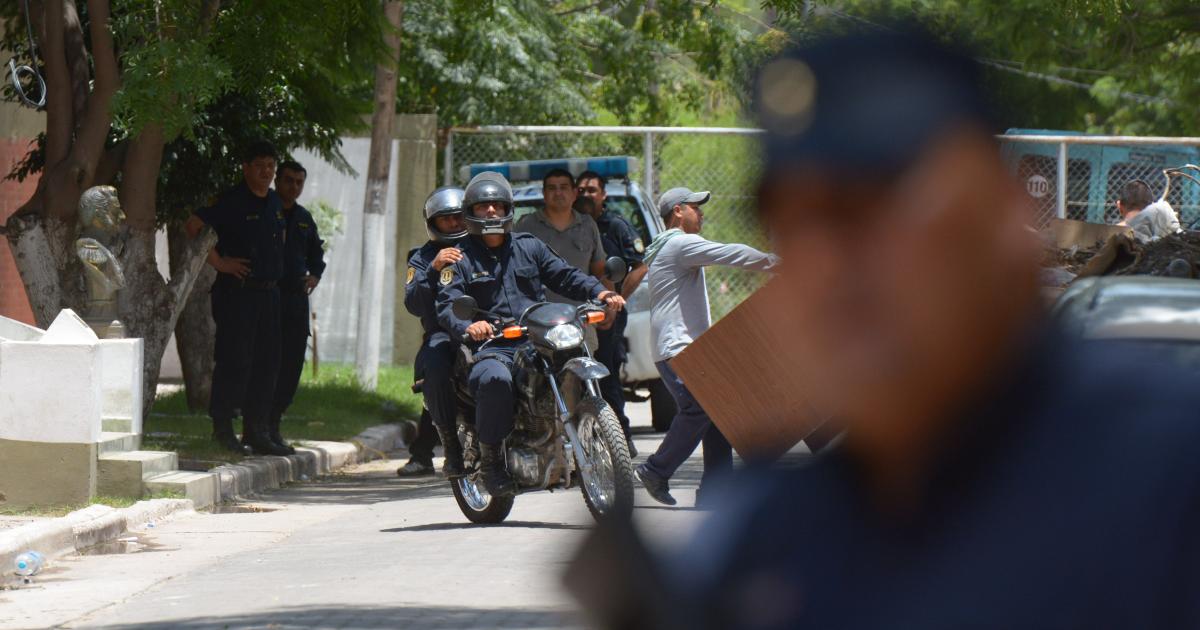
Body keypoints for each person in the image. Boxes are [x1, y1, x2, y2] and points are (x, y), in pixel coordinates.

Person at [632, 29, 1200, 629]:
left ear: (1000, 214)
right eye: (798, 224)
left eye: (871, 211)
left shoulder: (1162, 466)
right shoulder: (764, 542)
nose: (830, 268)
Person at [437, 171, 626, 497]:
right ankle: (493, 462)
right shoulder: (461, 257)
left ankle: (586, 430)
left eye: (497, 205)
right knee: (494, 379)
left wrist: (601, 294)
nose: (492, 212)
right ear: (471, 212)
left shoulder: (528, 246)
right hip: (493, 346)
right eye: (484, 207)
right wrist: (468, 326)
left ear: (508, 208)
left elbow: (566, 276)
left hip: (537, 338)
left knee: (573, 354)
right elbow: (448, 302)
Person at [633, 187, 779, 507]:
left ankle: (716, 492)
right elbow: (730, 252)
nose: (701, 213)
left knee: (718, 412)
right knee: (699, 409)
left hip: (680, 346)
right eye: (696, 208)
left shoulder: (665, 248)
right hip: (678, 348)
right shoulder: (680, 243)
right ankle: (656, 470)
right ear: (678, 212)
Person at [185, 141, 290, 456]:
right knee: (235, 361)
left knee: (267, 363)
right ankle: (222, 428)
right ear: (245, 167)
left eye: (270, 165)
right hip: (238, 294)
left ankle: (256, 431)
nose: (266, 172)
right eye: (259, 165)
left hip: (269, 294)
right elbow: (193, 225)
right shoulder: (231, 200)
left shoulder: (273, 201)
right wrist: (219, 262)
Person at [397, 187, 469, 478]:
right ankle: (447, 448)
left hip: (490, 329)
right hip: (444, 334)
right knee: (436, 371)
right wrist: (433, 268)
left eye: (458, 217)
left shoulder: (483, 246)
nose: (454, 224)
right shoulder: (422, 257)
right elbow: (413, 303)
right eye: (446, 219)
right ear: (433, 223)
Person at [576, 171, 646, 455]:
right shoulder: (571, 225)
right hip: (572, 312)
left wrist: (616, 302)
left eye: (592, 190)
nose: (586, 195)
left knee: (606, 374)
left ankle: (621, 440)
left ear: (603, 194)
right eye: (581, 190)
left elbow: (640, 267)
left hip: (607, 313)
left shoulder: (616, 226)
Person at [268, 160, 326, 455]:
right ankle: (257, 425)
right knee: (266, 363)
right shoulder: (266, 208)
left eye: (298, 182)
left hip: (294, 300)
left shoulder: (303, 218)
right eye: (288, 180)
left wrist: (314, 276)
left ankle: (274, 423)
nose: (293, 187)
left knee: (291, 365)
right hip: (267, 297)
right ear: (277, 180)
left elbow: (317, 255)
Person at [515, 168, 608, 306]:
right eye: (552, 188)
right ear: (544, 194)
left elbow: (600, 270)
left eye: (564, 187)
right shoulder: (525, 226)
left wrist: (608, 304)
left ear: (574, 193)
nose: (558, 193)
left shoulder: (588, 224)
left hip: (583, 315)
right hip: (537, 316)